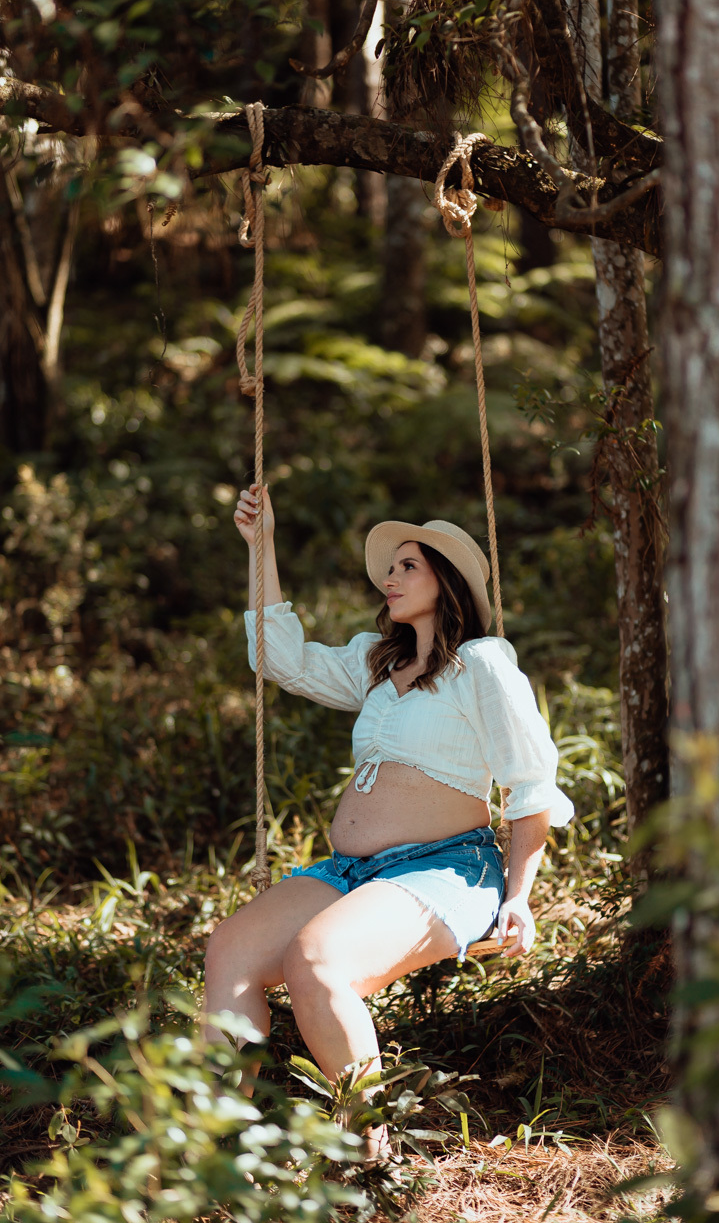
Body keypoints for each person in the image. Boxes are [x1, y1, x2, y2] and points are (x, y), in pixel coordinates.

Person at [204, 483, 573, 1155]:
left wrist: (520, 897)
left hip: (447, 868)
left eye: (408, 566)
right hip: (352, 870)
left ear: (447, 580)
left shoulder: (481, 663)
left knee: (317, 960)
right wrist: (262, 547)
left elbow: (531, 785)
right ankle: (218, 1149)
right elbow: (281, 659)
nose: (389, 579)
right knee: (230, 951)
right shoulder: (379, 664)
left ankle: (366, 1148)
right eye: (390, 568)